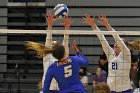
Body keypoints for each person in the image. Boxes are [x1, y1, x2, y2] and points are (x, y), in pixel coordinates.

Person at [83, 15, 133, 93]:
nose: (116, 44)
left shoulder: (126, 54)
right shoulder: (110, 53)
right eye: (115, 43)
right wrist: (93, 25)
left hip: (125, 89)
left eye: (118, 44)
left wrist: (107, 25)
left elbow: (118, 39)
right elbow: (101, 38)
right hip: (111, 89)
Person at [38, 12, 72, 93]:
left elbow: (65, 44)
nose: (52, 44)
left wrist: (67, 29)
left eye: (55, 43)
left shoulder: (62, 56)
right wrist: (50, 25)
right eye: (52, 43)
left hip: (61, 88)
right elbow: (48, 40)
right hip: (48, 88)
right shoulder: (47, 56)